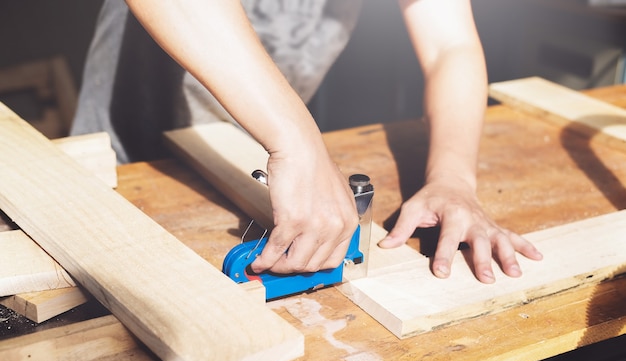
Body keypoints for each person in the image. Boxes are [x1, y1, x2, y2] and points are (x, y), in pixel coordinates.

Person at [71, 0, 543, 284]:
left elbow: (450, 46)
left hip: (266, 162)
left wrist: (454, 179)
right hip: (132, 159)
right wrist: (299, 142)